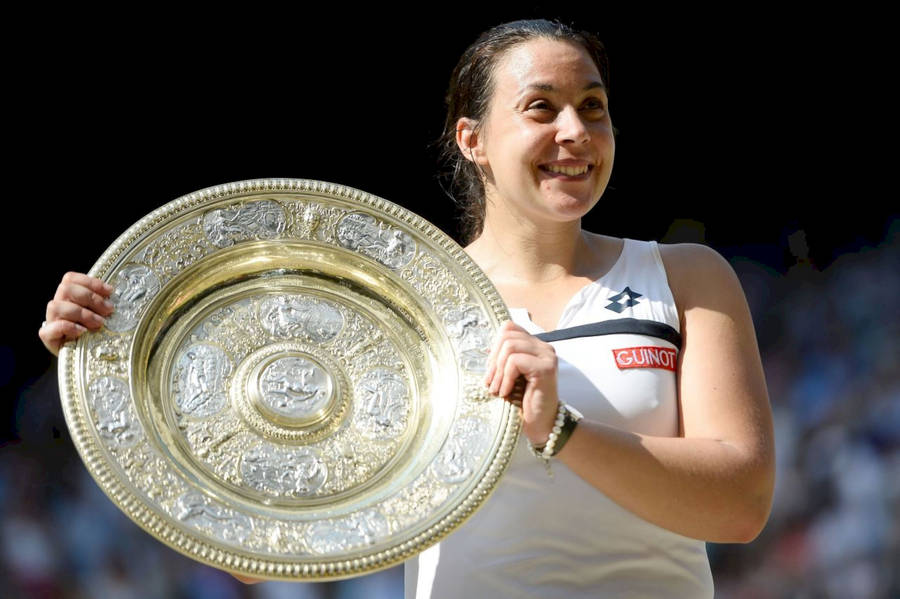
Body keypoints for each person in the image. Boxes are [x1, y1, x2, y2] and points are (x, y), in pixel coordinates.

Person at [40, 19, 775, 598]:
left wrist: (561, 430)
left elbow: (740, 503)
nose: (575, 133)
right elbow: (262, 552)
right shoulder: (402, 311)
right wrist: (114, 363)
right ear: (474, 140)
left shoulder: (683, 277)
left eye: (593, 107)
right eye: (540, 108)